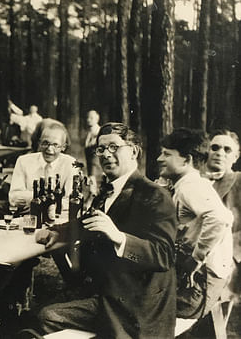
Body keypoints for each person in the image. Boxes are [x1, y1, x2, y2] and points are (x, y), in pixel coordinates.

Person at [36, 122, 177, 338]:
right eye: (100, 149)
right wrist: (57, 231)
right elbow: (89, 222)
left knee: (47, 316)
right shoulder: (110, 188)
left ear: (134, 152)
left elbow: (164, 254)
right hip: (109, 288)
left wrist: (119, 237)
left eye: (113, 147)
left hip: (136, 303)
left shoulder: (154, 194)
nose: (105, 154)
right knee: (39, 308)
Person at [157, 128, 233, 319]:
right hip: (199, 279)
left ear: (187, 159)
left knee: (138, 308)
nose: (159, 159)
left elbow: (220, 218)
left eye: (167, 154)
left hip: (200, 283)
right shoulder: (186, 184)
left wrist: (196, 258)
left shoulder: (190, 186)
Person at [205, 129, 241, 300]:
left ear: (236, 157)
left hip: (228, 258)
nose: (219, 153)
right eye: (215, 148)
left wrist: (232, 255)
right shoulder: (196, 179)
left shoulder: (238, 181)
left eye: (227, 150)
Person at [9, 121, 76, 207]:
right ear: (39, 143)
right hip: (27, 215)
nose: (49, 149)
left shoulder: (71, 164)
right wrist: (50, 199)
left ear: (63, 147)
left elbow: (71, 201)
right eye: (45, 143)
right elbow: (13, 198)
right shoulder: (23, 161)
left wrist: (36, 199)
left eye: (55, 145)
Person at [84, 110, 102, 182]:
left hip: (96, 163)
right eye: (88, 118)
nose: (88, 120)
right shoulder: (89, 132)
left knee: (93, 181)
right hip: (89, 162)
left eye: (91, 118)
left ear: (97, 119)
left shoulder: (99, 131)